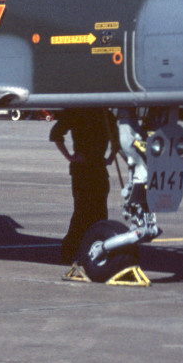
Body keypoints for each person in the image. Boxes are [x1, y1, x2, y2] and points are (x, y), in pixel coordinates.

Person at [49, 108, 116, 263]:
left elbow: (56, 134)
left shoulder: (85, 111)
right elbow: (55, 134)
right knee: (88, 212)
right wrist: (110, 157)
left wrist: (70, 157)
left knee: (91, 212)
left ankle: (88, 250)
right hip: (89, 168)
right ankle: (74, 251)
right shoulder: (97, 112)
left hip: (91, 168)